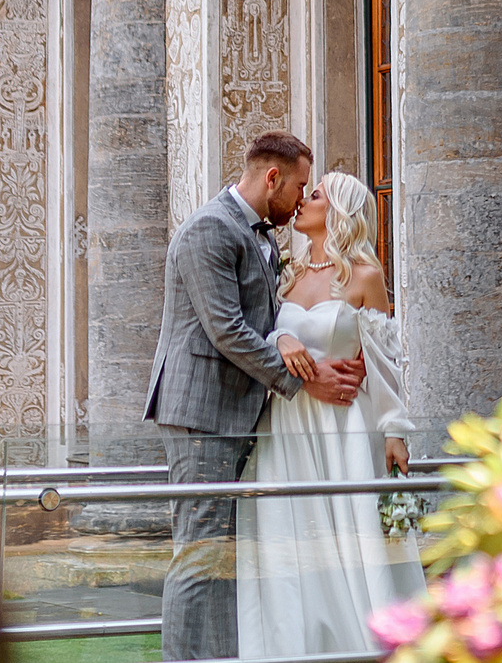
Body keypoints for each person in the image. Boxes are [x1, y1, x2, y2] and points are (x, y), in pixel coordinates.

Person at [146, 132, 364, 661]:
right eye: (301, 186)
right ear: (273, 179)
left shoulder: (260, 234)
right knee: (198, 554)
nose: (302, 196)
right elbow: (225, 329)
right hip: (200, 414)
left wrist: (286, 337)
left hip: (238, 414)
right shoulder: (209, 230)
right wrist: (305, 379)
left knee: (224, 555)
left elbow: (262, 322)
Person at [237, 170, 426, 660]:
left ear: (338, 211)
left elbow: (384, 362)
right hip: (287, 426)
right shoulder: (289, 274)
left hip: (343, 427)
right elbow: (261, 334)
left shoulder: (365, 275)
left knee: (352, 538)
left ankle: (371, 643)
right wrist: (283, 339)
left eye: (314, 194)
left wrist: (394, 433)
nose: (303, 200)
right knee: (290, 538)